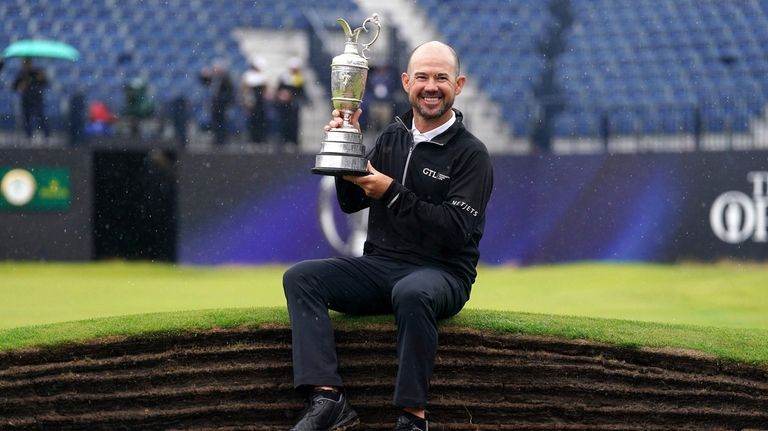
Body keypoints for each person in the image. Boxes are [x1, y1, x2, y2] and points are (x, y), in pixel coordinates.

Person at [283, 41, 494, 430]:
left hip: (443, 273)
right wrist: (347, 145)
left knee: (412, 292)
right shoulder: (393, 137)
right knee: (301, 277)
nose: (431, 86)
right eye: (422, 77)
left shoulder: (471, 154)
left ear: (459, 85)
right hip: (381, 266)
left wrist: (392, 193)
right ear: (406, 82)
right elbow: (350, 202)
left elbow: (455, 230)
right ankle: (328, 398)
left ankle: (413, 418)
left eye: (441, 78)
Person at [275, 56, 308, 150]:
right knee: (283, 123)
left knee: (294, 124)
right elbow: (279, 90)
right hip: (284, 106)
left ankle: (293, 142)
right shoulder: (284, 77)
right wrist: (282, 95)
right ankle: (283, 141)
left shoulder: (299, 79)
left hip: (294, 105)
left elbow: (301, 92)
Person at [12, 58, 50, 140]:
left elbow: (45, 83)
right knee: (27, 120)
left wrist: (42, 78)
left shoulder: (36, 73)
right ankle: (28, 137)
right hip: (26, 100)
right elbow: (14, 87)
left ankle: (46, 136)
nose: (26, 66)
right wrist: (20, 86)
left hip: (37, 99)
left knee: (41, 118)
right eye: (25, 64)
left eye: (28, 64)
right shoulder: (20, 75)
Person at [199, 59, 234, 146]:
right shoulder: (214, 78)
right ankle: (217, 139)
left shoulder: (226, 78)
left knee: (222, 123)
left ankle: (222, 140)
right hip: (214, 105)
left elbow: (229, 92)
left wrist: (222, 100)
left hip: (222, 105)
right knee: (215, 123)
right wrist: (203, 74)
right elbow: (204, 81)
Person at [240, 56, 269, 145]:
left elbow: (266, 91)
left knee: (261, 121)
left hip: (261, 103)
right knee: (252, 122)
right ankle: (253, 140)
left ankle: (260, 140)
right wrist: (247, 101)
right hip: (251, 102)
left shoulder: (263, 76)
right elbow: (244, 90)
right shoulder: (247, 75)